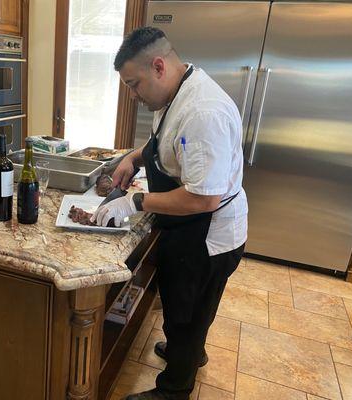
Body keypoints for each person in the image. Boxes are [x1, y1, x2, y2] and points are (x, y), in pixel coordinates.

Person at [91, 27, 248, 400]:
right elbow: (161, 141)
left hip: (207, 233)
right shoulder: (180, 88)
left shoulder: (202, 112)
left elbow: (203, 198)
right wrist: (132, 158)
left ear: (159, 66)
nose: (132, 95)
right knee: (190, 306)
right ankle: (188, 353)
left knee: (188, 311)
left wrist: (136, 202)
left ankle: (175, 388)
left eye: (134, 84)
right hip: (190, 227)